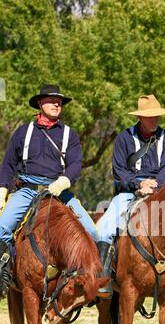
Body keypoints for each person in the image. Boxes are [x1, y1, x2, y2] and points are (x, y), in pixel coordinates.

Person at [0, 84, 97, 297]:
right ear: (40, 103)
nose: (56, 104)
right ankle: (5, 275)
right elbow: (8, 164)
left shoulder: (69, 135)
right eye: (52, 100)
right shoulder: (23, 132)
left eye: (59, 101)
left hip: (59, 191)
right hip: (28, 191)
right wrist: (2, 191)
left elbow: (75, 164)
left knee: (92, 232)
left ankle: (89, 283)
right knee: (2, 227)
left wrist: (64, 181)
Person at [96, 94, 165, 298]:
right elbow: (119, 171)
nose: (154, 120)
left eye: (157, 116)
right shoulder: (124, 138)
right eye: (149, 116)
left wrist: (155, 185)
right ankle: (102, 277)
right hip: (128, 192)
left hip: (160, 192)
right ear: (140, 117)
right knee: (103, 228)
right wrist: (138, 184)